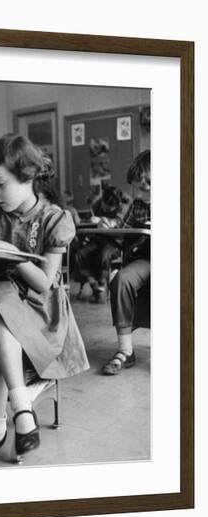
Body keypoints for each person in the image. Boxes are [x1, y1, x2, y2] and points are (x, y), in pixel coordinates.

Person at [0, 134, 90, 466]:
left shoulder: (55, 219)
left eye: (0, 184)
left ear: (27, 176)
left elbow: (43, 283)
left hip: (40, 311)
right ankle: (22, 409)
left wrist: (13, 255)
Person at [102, 150, 151, 375]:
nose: (136, 194)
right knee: (121, 279)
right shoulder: (138, 204)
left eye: (141, 188)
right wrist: (109, 225)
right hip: (146, 259)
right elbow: (123, 228)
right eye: (134, 187)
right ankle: (125, 350)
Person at [74, 185, 130, 302]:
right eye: (105, 205)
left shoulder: (123, 206)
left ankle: (101, 283)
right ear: (102, 200)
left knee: (104, 255)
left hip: (115, 242)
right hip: (98, 239)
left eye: (110, 208)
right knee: (80, 255)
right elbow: (91, 221)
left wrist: (104, 220)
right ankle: (94, 284)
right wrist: (92, 220)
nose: (105, 209)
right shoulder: (96, 204)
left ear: (117, 205)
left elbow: (118, 222)